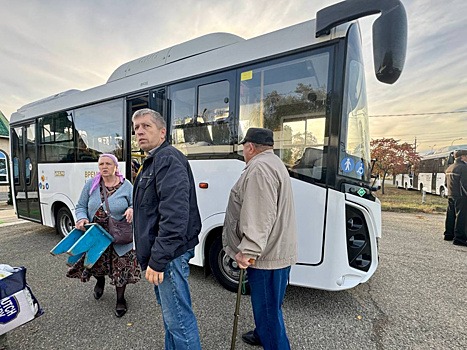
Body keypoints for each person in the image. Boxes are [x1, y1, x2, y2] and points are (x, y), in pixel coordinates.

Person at [132, 108, 202, 350]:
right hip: (163, 254)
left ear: (162, 132)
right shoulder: (153, 160)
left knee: (179, 322)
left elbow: (174, 216)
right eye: (136, 128)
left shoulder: (167, 159)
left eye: (146, 126)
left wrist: (158, 259)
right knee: (172, 321)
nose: (139, 131)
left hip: (168, 256)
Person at [223, 127, 298, 349]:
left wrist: (248, 250)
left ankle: (272, 340)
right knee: (269, 306)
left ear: (250, 147)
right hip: (277, 249)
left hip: (266, 257)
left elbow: (259, 214)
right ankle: (261, 332)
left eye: (244, 148)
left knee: (268, 310)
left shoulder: (259, 169)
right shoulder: (273, 163)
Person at [66, 153, 141, 317]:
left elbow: (135, 203)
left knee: (121, 267)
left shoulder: (126, 185)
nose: (104, 167)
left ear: (115, 166)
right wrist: (82, 218)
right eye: (101, 164)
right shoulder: (91, 184)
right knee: (97, 265)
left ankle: (120, 299)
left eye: (108, 164)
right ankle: (100, 281)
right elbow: (80, 206)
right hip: (97, 236)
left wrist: (131, 209)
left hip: (119, 235)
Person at [444, 149, 467, 246]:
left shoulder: (450, 167)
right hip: (461, 195)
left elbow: (446, 183)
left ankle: (448, 234)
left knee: (450, 215)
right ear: (462, 157)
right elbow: (464, 184)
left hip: (451, 194)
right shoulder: (464, 167)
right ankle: (459, 239)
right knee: (461, 217)